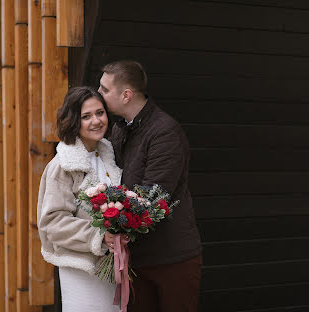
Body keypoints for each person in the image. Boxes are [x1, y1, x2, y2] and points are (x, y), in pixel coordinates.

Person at [98, 60, 203, 311]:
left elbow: (152, 197)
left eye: (104, 89)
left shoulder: (164, 132)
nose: (98, 94)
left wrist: (113, 225)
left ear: (126, 95)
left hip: (171, 259)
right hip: (137, 258)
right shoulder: (120, 129)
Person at [37, 86, 123, 312]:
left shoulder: (108, 156)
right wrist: (99, 236)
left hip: (111, 266)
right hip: (80, 269)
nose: (96, 121)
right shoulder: (62, 166)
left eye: (100, 113)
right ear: (74, 121)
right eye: (86, 116)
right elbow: (52, 223)